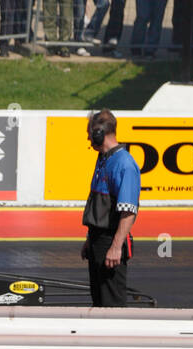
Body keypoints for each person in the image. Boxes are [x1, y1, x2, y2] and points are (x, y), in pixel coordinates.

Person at [80, 109, 139, 308]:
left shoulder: (124, 164)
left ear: (99, 133)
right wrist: (90, 239)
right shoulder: (104, 159)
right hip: (98, 241)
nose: (89, 139)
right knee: (98, 301)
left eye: (90, 134)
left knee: (111, 304)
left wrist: (115, 247)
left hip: (110, 243)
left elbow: (128, 211)